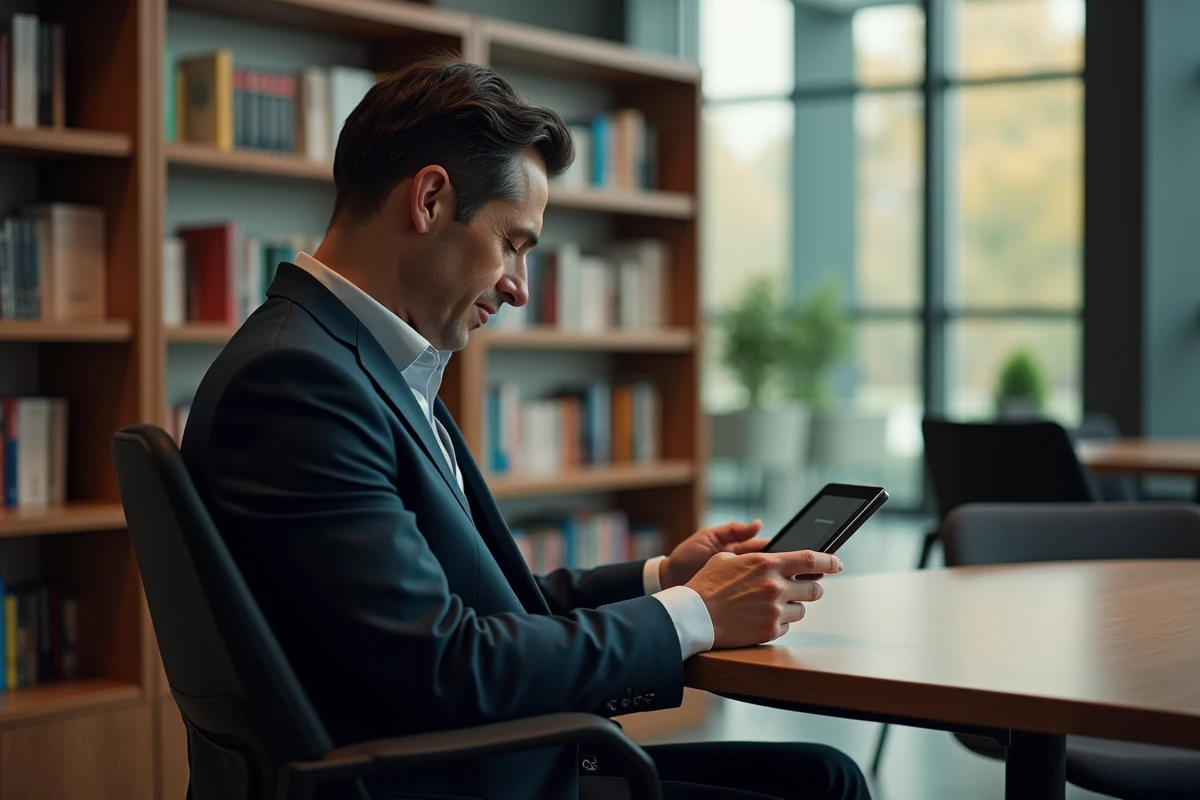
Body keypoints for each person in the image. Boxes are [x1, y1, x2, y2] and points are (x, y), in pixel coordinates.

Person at [180, 55, 870, 800]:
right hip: (447, 781)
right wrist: (698, 615)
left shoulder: (353, 361)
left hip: (477, 765)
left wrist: (661, 579)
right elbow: (451, 666)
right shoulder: (298, 386)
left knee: (823, 774)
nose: (518, 286)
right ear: (432, 199)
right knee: (822, 788)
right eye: (513, 243)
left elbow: (471, 604)